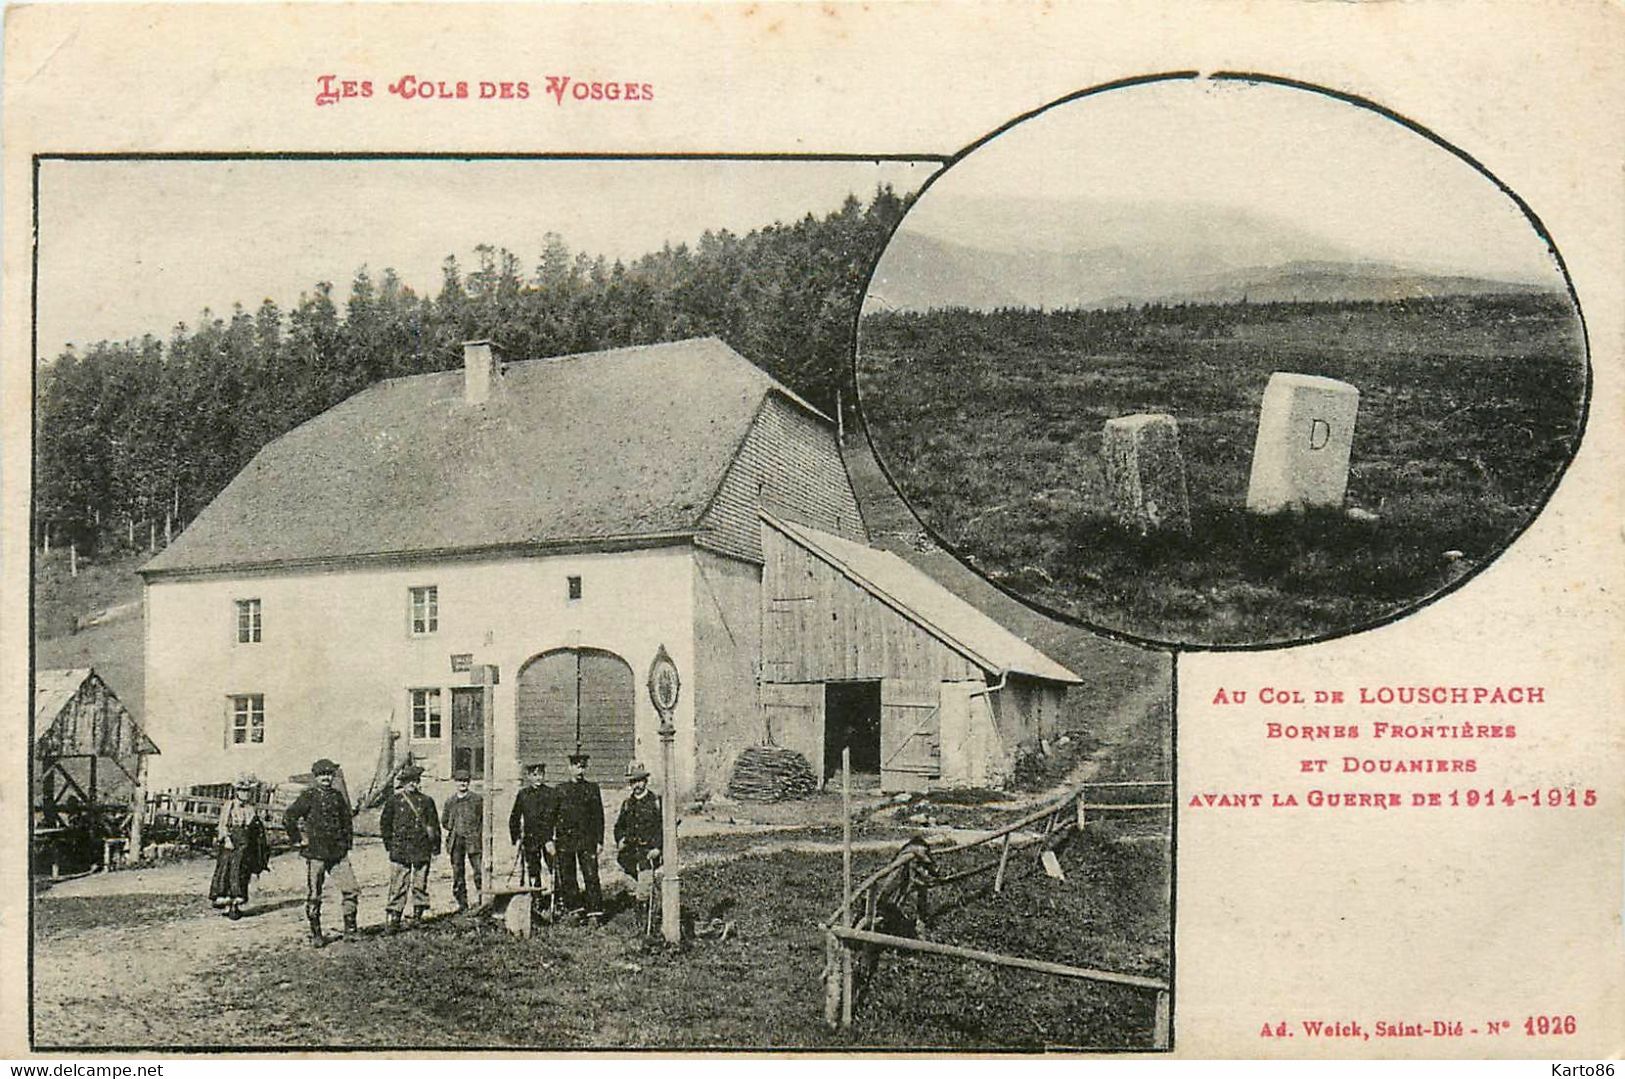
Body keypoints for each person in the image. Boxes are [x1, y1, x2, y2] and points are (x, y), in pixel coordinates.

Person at [283, 758, 360, 947]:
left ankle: (350, 930)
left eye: (329, 774)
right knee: (314, 895)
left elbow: (347, 823)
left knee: (351, 890)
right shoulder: (308, 796)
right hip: (316, 853)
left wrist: (346, 845)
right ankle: (317, 934)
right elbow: (289, 817)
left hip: (338, 854)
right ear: (316, 777)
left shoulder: (337, 796)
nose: (326, 778)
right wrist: (298, 840)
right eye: (322, 775)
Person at [379, 764, 440, 933]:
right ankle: (394, 918)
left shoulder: (427, 801)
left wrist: (435, 847)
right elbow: (385, 824)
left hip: (422, 848)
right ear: (403, 784)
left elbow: (434, 824)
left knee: (420, 884)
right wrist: (389, 845)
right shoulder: (394, 801)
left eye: (415, 781)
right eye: (409, 781)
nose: (413, 784)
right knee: (399, 884)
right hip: (401, 849)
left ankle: (418, 916)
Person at [208, 773, 271, 919]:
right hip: (231, 844)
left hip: (245, 846)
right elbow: (222, 824)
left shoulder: (251, 809)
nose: (245, 794)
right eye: (242, 790)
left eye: (247, 791)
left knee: (241, 872)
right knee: (227, 871)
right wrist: (226, 839)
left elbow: (255, 829)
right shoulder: (229, 806)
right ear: (237, 791)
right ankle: (226, 903)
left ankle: (235, 905)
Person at [554, 749, 604, 920]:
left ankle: (594, 912)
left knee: (591, 875)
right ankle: (575, 909)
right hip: (565, 840)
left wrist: (599, 841)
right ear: (570, 768)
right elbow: (551, 817)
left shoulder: (592, 788)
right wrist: (549, 840)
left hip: (586, 840)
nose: (580, 771)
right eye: (576, 767)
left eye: (582, 767)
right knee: (568, 876)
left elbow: (599, 816)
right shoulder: (560, 790)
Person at [613, 760, 662, 904]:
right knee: (632, 889)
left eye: (639, 781)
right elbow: (619, 826)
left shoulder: (655, 802)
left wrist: (657, 847)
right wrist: (620, 839)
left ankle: (647, 917)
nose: (637, 785)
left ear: (646, 781)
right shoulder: (627, 804)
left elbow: (662, 827)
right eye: (633, 782)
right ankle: (637, 915)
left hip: (647, 853)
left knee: (644, 891)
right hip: (629, 854)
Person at [508, 761, 558, 891]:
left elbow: (559, 818)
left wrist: (552, 839)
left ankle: (558, 899)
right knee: (533, 870)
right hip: (531, 839)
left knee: (555, 868)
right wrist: (517, 838)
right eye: (535, 775)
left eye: (541, 774)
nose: (538, 778)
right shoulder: (523, 794)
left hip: (548, 839)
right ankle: (536, 899)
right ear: (529, 776)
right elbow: (514, 817)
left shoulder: (552, 793)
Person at [442, 768, 484, 910]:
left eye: (465, 781)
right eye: (460, 781)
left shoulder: (477, 800)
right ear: (455, 782)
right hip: (456, 841)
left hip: (473, 840)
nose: (463, 784)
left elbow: (482, 819)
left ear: (469, 782)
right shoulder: (450, 801)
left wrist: (475, 832)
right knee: (458, 872)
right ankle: (462, 903)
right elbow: (445, 822)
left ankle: (482, 899)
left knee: (478, 871)